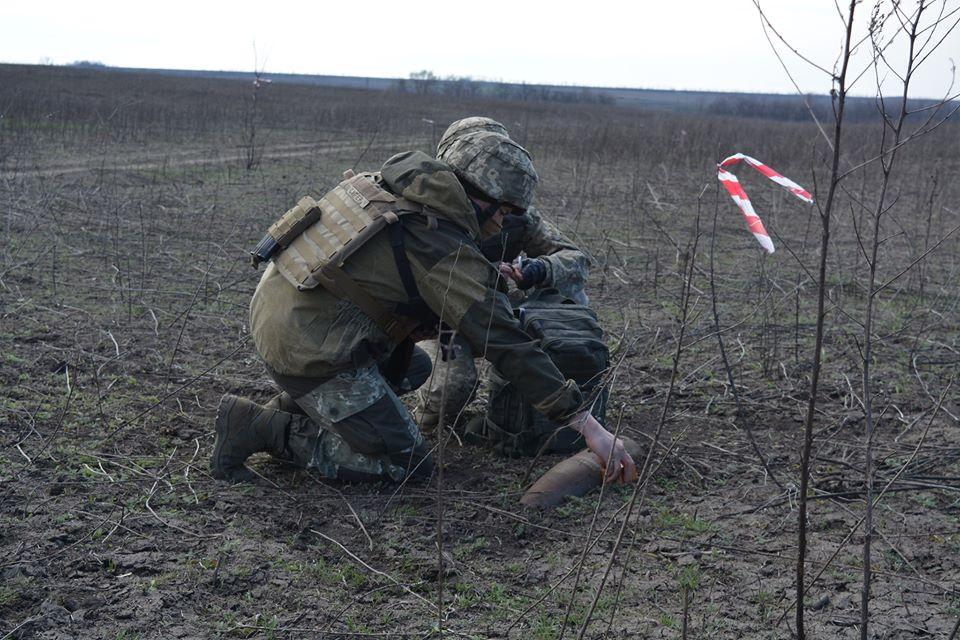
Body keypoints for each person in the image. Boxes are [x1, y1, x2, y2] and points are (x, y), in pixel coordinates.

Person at [211, 130, 636, 485]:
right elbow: (503, 339)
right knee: (406, 466)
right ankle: (260, 427)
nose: (504, 224)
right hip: (309, 348)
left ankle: (301, 405)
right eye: (504, 210)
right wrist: (587, 425)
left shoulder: (393, 187)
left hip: (285, 314)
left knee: (415, 367)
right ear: (478, 194)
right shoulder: (437, 241)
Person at [417, 117, 593, 431]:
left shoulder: (515, 217)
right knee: (449, 391)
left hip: (495, 312)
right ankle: (423, 425)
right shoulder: (426, 214)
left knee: (571, 295)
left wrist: (537, 271)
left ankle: (533, 410)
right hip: (441, 321)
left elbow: (576, 259)